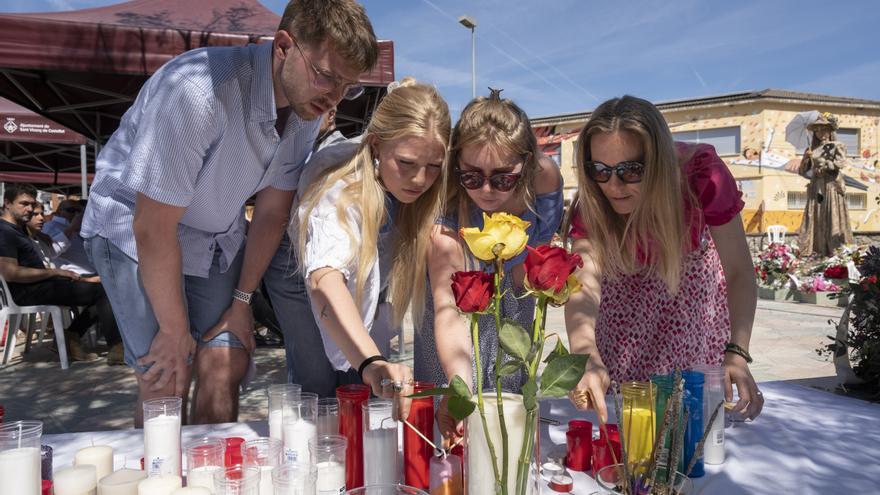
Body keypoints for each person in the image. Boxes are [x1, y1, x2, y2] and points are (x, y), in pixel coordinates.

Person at [80, 0, 379, 426]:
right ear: (283, 47)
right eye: (327, 75)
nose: (334, 98)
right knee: (167, 374)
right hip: (133, 227)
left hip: (210, 234)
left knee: (225, 363)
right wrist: (173, 329)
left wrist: (242, 304)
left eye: (348, 87)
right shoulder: (195, 90)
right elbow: (152, 227)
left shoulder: (306, 110)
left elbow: (273, 213)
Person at [562, 95, 763, 422]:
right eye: (599, 169)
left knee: (683, 424)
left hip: (685, 317)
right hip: (620, 325)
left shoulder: (702, 175)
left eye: (632, 170)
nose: (613, 186)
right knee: (625, 422)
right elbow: (583, 284)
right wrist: (585, 353)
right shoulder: (593, 201)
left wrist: (737, 353)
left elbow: (739, 271)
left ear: (659, 162)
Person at [286, 77, 450, 418]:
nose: (420, 179)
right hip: (301, 274)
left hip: (362, 282)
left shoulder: (422, 190)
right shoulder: (339, 187)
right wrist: (372, 361)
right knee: (319, 390)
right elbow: (324, 279)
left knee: (362, 387)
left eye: (434, 166)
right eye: (406, 163)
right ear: (376, 145)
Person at [416, 89, 564, 438]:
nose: (485, 190)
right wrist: (460, 389)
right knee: (451, 445)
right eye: (471, 175)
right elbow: (449, 309)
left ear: (526, 163)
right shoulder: (448, 206)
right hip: (449, 338)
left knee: (507, 431)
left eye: (502, 177)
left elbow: (533, 266)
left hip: (515, 315)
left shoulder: (544, 179)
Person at [0, 183, 121, 363]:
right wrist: (55, 272)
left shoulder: (17, 229)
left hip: (42, 285)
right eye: (23, 204)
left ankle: (71, 338)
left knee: (105, 287)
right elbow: (11, 273)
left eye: (32, 204)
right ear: (7, 203)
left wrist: (37, 235)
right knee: (103, 291)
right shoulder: (4, 232)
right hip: (29, 292)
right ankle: (116, 348)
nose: (29, 209)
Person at [797, 112, 854, 256]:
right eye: (817, 130)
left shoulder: (837, 145)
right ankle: (816, 249)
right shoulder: (812, 150)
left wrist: (827, 164)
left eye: (823, 129)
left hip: (831, 185)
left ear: (830, 130)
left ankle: (835, 250)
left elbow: (841, 163)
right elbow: (802, 171)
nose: (820, 132)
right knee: (816, 214)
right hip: (816, 186)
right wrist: (806, 159)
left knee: (832, 213)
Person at [42, 199, 96, 276]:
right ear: (60, 211)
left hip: (89, 272)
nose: (76, 213)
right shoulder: (50, 226)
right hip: (74, 275)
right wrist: (71, 228)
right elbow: (49, 252)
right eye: (71, 210)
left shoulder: (75, 226)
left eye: (79, 211)